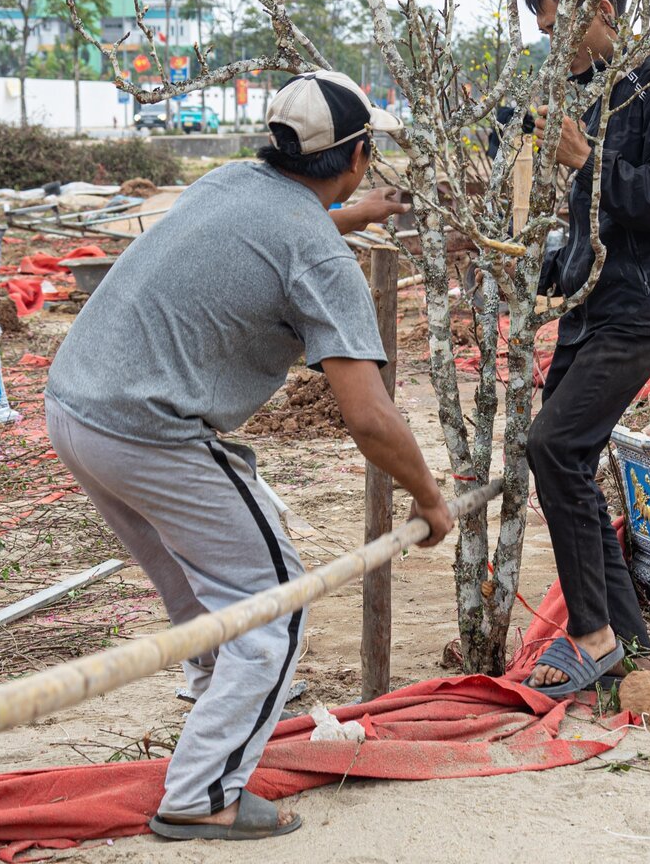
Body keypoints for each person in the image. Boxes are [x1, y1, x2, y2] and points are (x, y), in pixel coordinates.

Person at [44, 69, 454, 841]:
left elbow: (280, 231)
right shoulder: (322, 261)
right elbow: (369, 416)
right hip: (150, 432)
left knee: (204, 597)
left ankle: (213, 704)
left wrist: (351, 214)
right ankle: (203, 796)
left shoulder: (228, 179)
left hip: (76, 406)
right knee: (272, 609)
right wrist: (430, 501)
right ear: (359, 153)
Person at [521, 0, 650, 697]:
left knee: (555, 448)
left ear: (601, 13)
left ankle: (593, 635)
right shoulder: (591, 92)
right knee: (569, 459)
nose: (553, 48)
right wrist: (538, 272)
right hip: (592, 300)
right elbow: (589, 225)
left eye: (559, 29)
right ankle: (627, 642)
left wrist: (587, 158)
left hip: (644, 304)